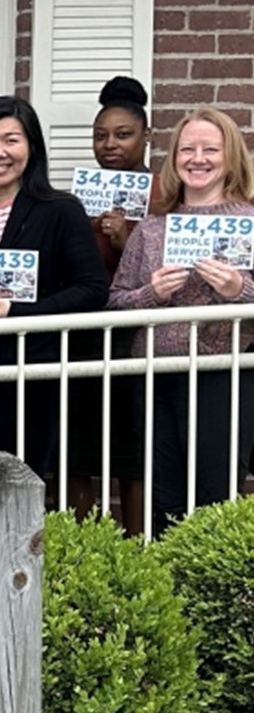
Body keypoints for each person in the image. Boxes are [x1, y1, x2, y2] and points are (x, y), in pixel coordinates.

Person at [0, 97, 108, 477]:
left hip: (30, 379)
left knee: (22, 491)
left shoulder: (59, 209)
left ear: (32, 147)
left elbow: (92, 290)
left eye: (11, 140)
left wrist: (17, 313)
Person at [107, 106, 254, 538]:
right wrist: (152, 294)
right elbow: (114, 305)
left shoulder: (250, 222)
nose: (198, 158)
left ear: (231, 157)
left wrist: (237, 291)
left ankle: (210, 600)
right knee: (163, 497)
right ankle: (167, 597)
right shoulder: (152, 230)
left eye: (211, 149)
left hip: (223, 373)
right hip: (155, 375)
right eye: (187, 149)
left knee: (215, 493)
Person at [69, 76, 155, 531]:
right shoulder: (77, 197)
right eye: (100, 136)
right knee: (79, 448)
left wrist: (127, 242)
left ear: (146, 137)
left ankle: (138, 547)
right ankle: (85, 549)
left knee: (132, 449)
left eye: (123, 135)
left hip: (136, 334)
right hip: (85, 332)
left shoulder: (163, 195)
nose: (110, 145)